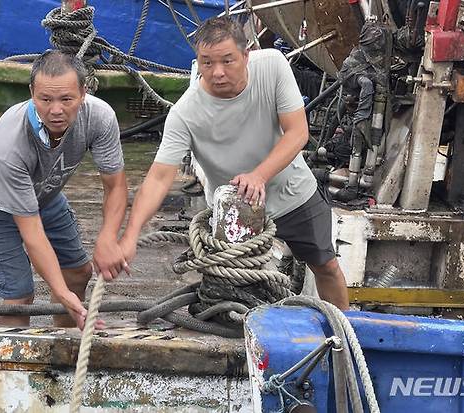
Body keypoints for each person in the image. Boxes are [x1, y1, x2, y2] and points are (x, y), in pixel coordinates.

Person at [115, 17, 349, 310]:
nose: (218, 73)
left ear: (246, 54)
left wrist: (259, 175)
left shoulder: (273, 66)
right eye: (207, 63)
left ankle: (344, 336)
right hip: (234, 211)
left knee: (325, 265)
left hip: (292, 193)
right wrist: (131, 236)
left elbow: (298, 132)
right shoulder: (185, 113)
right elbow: (159, 178)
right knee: (233, 293)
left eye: (228, 61)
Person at [0, 50, 128, 329]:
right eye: (45, 99)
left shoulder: (100, 117)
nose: (56, 110)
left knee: (77, 272)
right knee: (19, 294)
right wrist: (61, 294)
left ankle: (67, 345)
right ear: (31, 93)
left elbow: (115, 184)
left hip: (43, 191)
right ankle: (9, 362)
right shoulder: (11, 142)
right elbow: (32, 232)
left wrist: (109, 237)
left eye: (66, 99)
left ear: (83, 93)